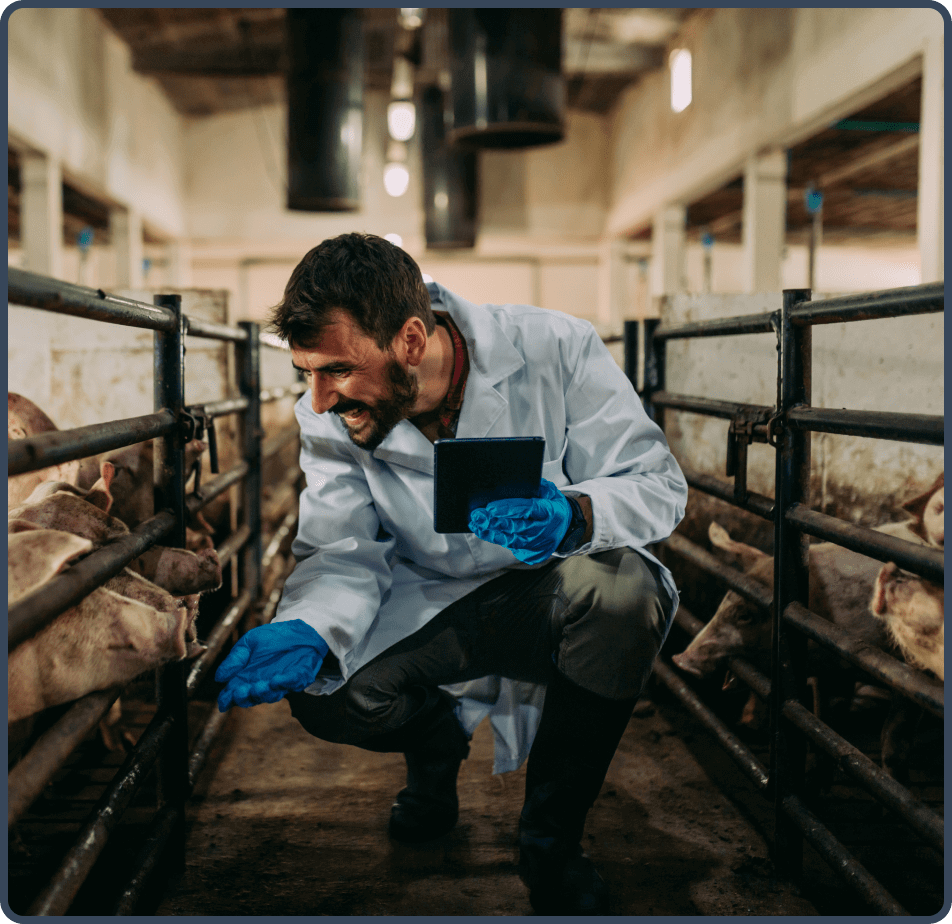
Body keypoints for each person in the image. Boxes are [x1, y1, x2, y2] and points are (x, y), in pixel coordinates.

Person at [216, 232, 687, 914]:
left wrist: (575, 514)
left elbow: (657, 484)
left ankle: (551, 841)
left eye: (338, 370)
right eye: (306, 372)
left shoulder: (555, 347)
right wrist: (309, 627)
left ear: (411, 340)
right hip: (424, 595)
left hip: (546, 588)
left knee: (626, 592)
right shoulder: (327, 417)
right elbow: (344, 548)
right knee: (326, 695)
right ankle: (435, 748)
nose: (318, 400)